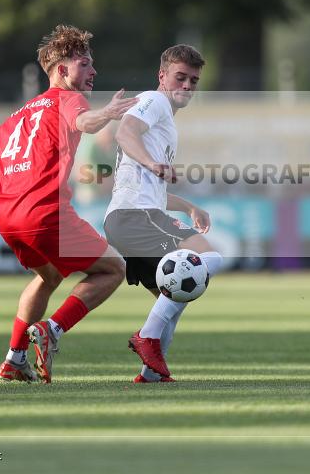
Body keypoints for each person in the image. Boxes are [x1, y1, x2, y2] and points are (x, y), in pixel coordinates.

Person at [0, 24, 137, 384]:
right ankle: (52, 331)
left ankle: (14, 358)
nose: (93, 71)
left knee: (50, 276)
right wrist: (106, 113)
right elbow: (85, 121)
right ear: (61, 71)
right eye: (85, 63)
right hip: (44, 212)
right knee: (113, 269)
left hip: (7, 217)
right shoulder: (69, 99)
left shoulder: (14, 118)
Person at [103, 44, 223, 383]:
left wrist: (188, 206)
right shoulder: (154, 102)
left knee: (175, 295)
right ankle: (147, 337)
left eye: (193, 81)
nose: (186, 86)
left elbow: (148, 184)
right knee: (209, 259)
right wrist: (153, 162)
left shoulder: (165, 120)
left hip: (131, 216)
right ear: (162, 76)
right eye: (180, 78)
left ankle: (151, 375)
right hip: (135, 216)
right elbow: (125, 133)